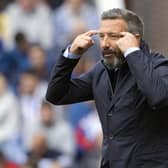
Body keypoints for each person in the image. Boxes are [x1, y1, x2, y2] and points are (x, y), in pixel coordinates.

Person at [46, 8, 168, 168]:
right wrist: (71, 55)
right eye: (102, 36)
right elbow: (57, 95)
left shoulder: (158, 66)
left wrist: (133, 52)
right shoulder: (101, 71)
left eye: (113, 36)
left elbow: (159, 97)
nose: (104, 44)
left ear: (134, 39)